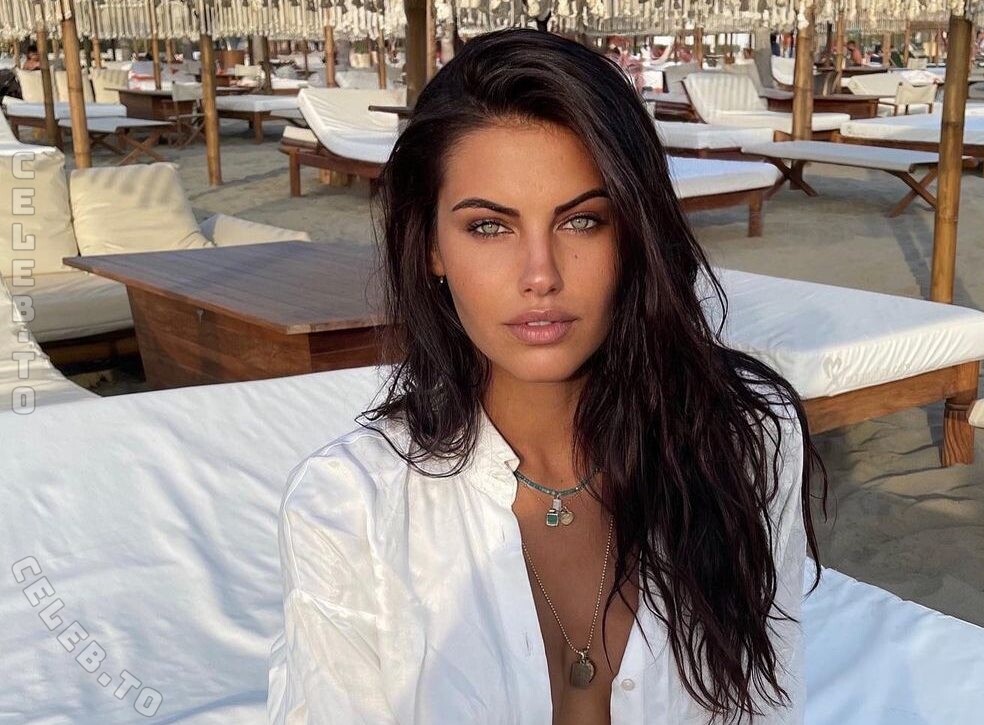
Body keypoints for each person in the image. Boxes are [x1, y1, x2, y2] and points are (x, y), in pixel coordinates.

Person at [267, 28, 824, 724]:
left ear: (633, 233)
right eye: (489, 227)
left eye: (582, 221)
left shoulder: (744, 441)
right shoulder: (348, 510)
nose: (541, 276)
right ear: (431, 246)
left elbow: (768, 702)